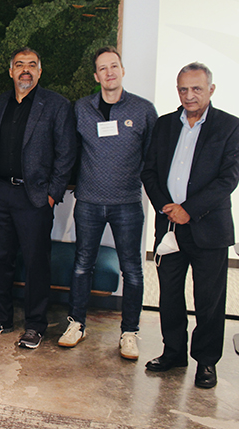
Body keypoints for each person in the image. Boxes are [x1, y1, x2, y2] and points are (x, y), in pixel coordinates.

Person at [141, 62, 239, 389]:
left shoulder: (231, 127)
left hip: (208, 229)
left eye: (196, 89)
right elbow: (149, 172)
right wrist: (166, 208)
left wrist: (189, 210)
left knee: (208, 301)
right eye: (183, 89)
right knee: (169, 296)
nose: (189, 95)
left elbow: (227, 180)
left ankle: (206, 362)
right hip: (169, 229)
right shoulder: (165, 125)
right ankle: (173, 353)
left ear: (210, 90)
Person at [58, 46, 157, 359]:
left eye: (114, 66)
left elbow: (153, 157)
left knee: (133, 271)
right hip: (88, 201)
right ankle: (77, 324)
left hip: (127, 203)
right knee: (82, 265)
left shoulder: (143, 110)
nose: (109, 72)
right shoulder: (81, 108)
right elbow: (69, 150)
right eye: (103, 68)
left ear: (122, 70)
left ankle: (129, 332)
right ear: (96, 75)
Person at [0, 47, 76, 349]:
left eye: (31, 65)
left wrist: (52, 194)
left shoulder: (56, 105)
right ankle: (2, 318)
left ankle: (35, 324)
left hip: (34, 197)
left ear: (39, 71)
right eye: (19, 65)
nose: (25, 70)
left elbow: (66, 154)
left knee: (36, 263)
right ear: (10, 71)